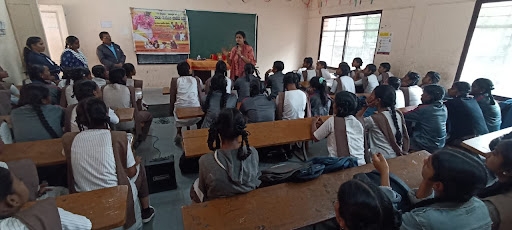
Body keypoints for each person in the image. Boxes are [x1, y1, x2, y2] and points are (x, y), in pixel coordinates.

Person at [63, 98, 155, 229]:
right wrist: (134, 162)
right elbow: (131, 172)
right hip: (117, 198)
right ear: (106, 115)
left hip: (84, 198)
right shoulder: (118, 137)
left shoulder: (69, 139)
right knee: (139, 168)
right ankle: (146, 211)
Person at [376, 149, 491, 229]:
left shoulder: (422, 219)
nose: (424, 160)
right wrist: (428, 181)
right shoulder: (479, 205)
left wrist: (384, 173)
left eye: (428, 164)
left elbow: (389, 219)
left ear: (438, 186)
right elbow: (425, 203)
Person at [191, 108, 260, 202]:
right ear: (241, 130)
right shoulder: (252, 153)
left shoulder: (205, 161)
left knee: (195, 186)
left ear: (218, 130)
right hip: (249, 204)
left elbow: (203, 191)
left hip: (218, 210)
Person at [0, 166, 92, 229]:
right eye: (20, 180)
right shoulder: (44, 214)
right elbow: (86, 224)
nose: (22, 181)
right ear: (13, 200)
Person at [311, 91, 365, 165]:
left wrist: (313, 122)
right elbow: (344, 131)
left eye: (334, 102)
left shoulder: (332, 121)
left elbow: (315, 137)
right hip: (361, 164)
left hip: (340, 166)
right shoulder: (359, 121)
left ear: (338, 107)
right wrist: (324, 126)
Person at [357, 85, 409, 159]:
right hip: (396, 154)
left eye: (372, 94)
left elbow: (355, 124)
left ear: (378, 100)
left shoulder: (374, 119)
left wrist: (365, 106)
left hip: (380, 159)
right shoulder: (398, 113)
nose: (369, 97)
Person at [102, 68, 153, 144]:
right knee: (149, 116)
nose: (126, 77)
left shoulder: (103, 88)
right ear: (122, 77)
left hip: (110, 123)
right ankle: (141, 139)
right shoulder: (129, 89)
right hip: (127, 123)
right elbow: (135, 108)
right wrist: (138, 127)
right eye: (125, 76)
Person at [333, 174, 401, 230]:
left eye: (338, 201)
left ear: (341, 222)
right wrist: (384, 172)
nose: (336, 203)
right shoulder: (387, 221)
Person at [479, 140, 512, 230]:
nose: (488, 154)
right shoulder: (503, 182)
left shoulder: (491, 209)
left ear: (508, 171)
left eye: (495, 154)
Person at [404, 85, 447, 152]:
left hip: (425, 143)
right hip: (440, 143)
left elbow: (404, 116)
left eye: (423, 93)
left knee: (399, 140)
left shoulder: (425, 109)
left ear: (428, 96)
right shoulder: (443, 107)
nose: (421, 95)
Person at [171, 62, 202, 143]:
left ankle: (179, 132)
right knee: (199, 118)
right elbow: (200, 95)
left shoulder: (175, 80)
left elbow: (172, 97)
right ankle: (199, 131)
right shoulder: (196, 79)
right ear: (189, 70)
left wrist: (170, 110)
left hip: (180, 112)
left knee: (178, 106)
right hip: (195, 111)